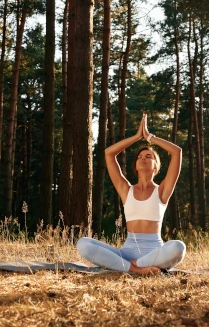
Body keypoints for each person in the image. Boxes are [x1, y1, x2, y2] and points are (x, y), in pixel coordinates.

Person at [76, 114, 186, 274]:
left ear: (156, 166)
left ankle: (129, 265)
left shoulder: (161, 191)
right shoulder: (126, 190)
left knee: (178, 247)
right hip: (127, 252)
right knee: (83, 243)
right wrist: (136, 137)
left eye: (149, 157)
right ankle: (138, 269)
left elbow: (177, 152)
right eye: (140, 157)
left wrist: (149, 137)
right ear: (135, 165)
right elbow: (109, 153)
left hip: (154, 253)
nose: (143, 158)